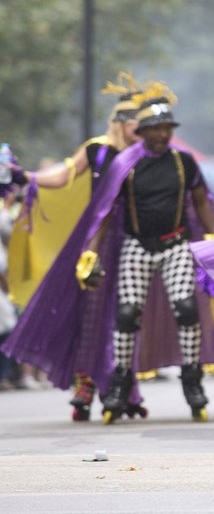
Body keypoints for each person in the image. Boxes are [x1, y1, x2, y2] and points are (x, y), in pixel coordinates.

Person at [3, 82, 214, 424]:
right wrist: (88, 251)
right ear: (129, 125)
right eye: (138, 123)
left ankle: (185, 380)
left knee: (181, 308)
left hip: (167, 243)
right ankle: (105, 384)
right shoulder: (111, 157)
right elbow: (92, 201)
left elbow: (199, 200)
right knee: (112, 317)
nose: (158, 134)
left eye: (164, 128)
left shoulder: (179, 162)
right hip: (122, 246)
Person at [6, 73, 144, 419]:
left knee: (127, 314)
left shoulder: (148, 155)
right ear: (122, 122)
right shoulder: (97, 149)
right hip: (97, 239)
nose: (143, 129)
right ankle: (85, 387)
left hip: (136, 239)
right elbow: (63, 177)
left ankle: (123, 385)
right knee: (90, 313)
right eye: (137, 123)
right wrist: (24, 177)